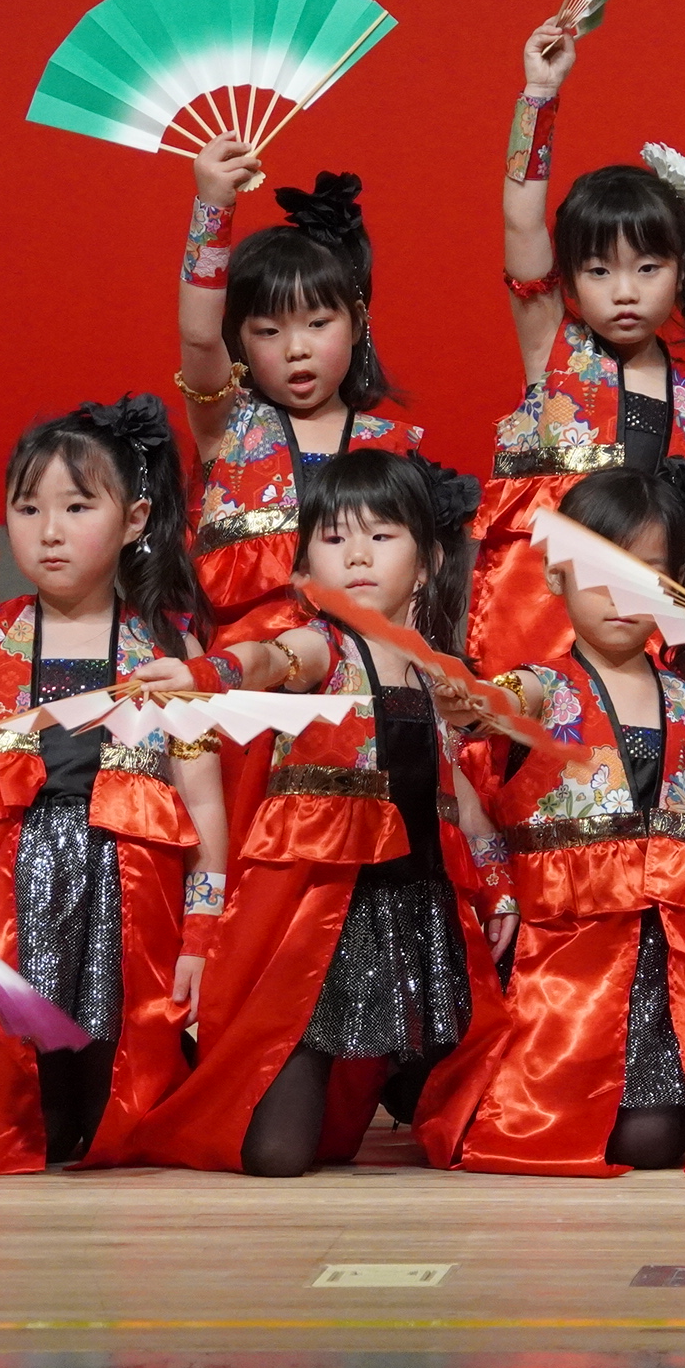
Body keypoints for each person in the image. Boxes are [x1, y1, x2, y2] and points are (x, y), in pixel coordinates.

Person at [121, 450, 504, 1176]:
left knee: (476, 1123)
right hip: (321, 924)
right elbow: (268, 659)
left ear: (427, 564)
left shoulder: (440, 673)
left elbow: (461, 794)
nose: (356, 555)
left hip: (422, 919)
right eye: (333, 538)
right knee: (277, 1153)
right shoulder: (322, 649)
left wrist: (498, 886)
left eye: (381, 535)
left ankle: (401, 1076)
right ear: (304, 569)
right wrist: (203, 673)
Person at [0, 400, 229, 1171]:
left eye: (77, 507)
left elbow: (203, 801)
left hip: (124, 907)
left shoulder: (167, 648)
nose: (49, 530)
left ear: (135, 520)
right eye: (28, 508)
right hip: (2, 900)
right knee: (11, 1114)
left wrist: (203, 933)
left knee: (116, 1122)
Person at [434, 462, 685, 1173]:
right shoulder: (543, 688)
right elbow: (495, 701)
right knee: (550, 1125)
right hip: (562, 960)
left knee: (652, 1142)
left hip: (666, 963)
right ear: (554, 575)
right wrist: (469, 701)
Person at [472, 16, 685, 676]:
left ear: (681, 268)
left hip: (652, 638)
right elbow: (521, 221)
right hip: (535, 636)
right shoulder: (553, 351)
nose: (624, 292)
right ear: (567, 278)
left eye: (647, 268)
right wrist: (539, 95)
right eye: (599, 271)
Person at [170, 148, 423, 638]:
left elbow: (420, 600)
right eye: (269, 331)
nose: (297, 349)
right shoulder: (228, 428)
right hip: (242, 677)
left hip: (364, 677)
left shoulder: (396, 448)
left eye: (318, 323)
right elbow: (199, 336)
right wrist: (213, 207)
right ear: (238, 339)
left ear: (357, 322)